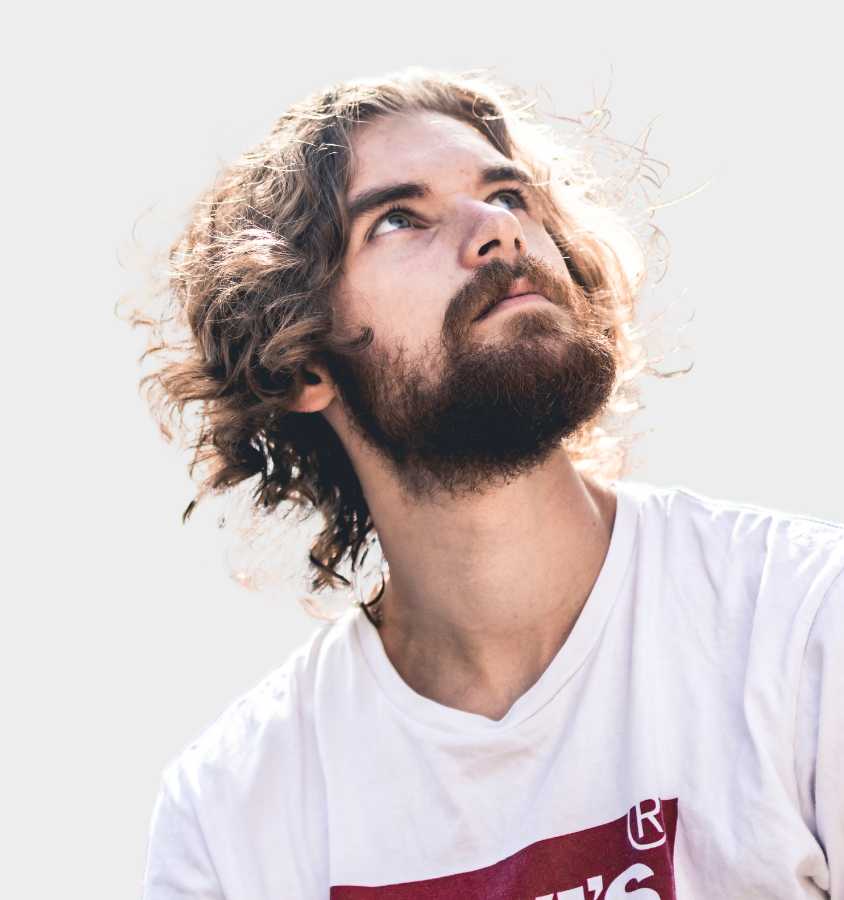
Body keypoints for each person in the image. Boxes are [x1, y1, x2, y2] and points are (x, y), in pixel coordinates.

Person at [127, 68, 843, 898]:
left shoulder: (801, 628)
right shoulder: (234, 817)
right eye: (398, 219)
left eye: (508, 194)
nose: (495, 232)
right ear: (304, 362)